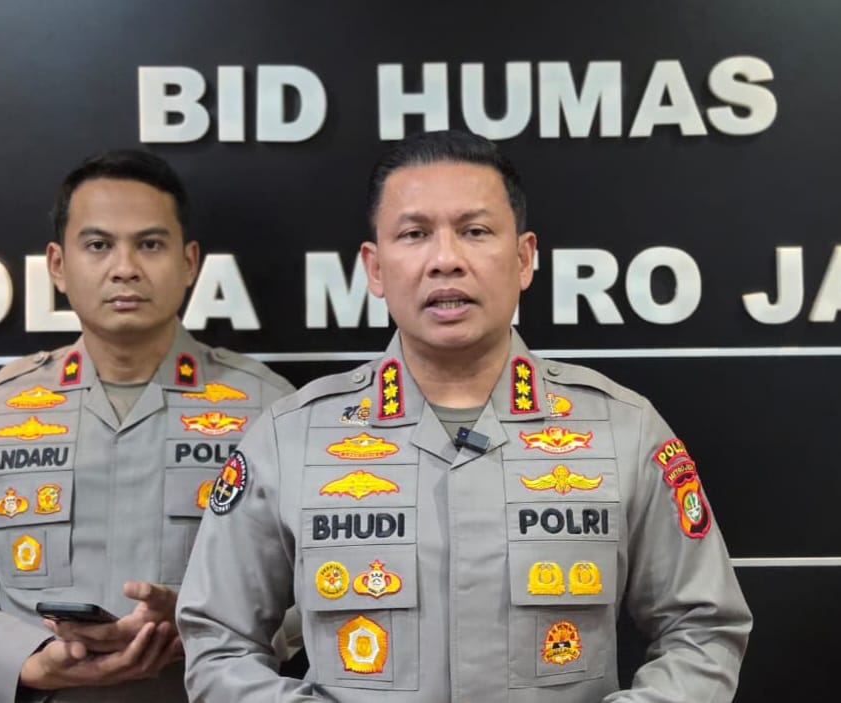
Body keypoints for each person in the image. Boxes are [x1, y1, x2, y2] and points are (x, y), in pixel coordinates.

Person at [176, 129, 752, 702]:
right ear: (375, 268)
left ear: (523, 258)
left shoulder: (622, 430)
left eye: (475, 231)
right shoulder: (291, 439)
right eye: (414, 234)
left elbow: (703, 629)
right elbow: (219, 643)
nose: (445, 260)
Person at [0, 148, 297, 703]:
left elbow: (319, 587)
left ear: (189, 262)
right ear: (58, 264)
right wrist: (33, 661)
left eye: (150, 244)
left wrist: (205, 629)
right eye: (99, 245)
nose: (124, 267)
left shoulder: (268, 408)